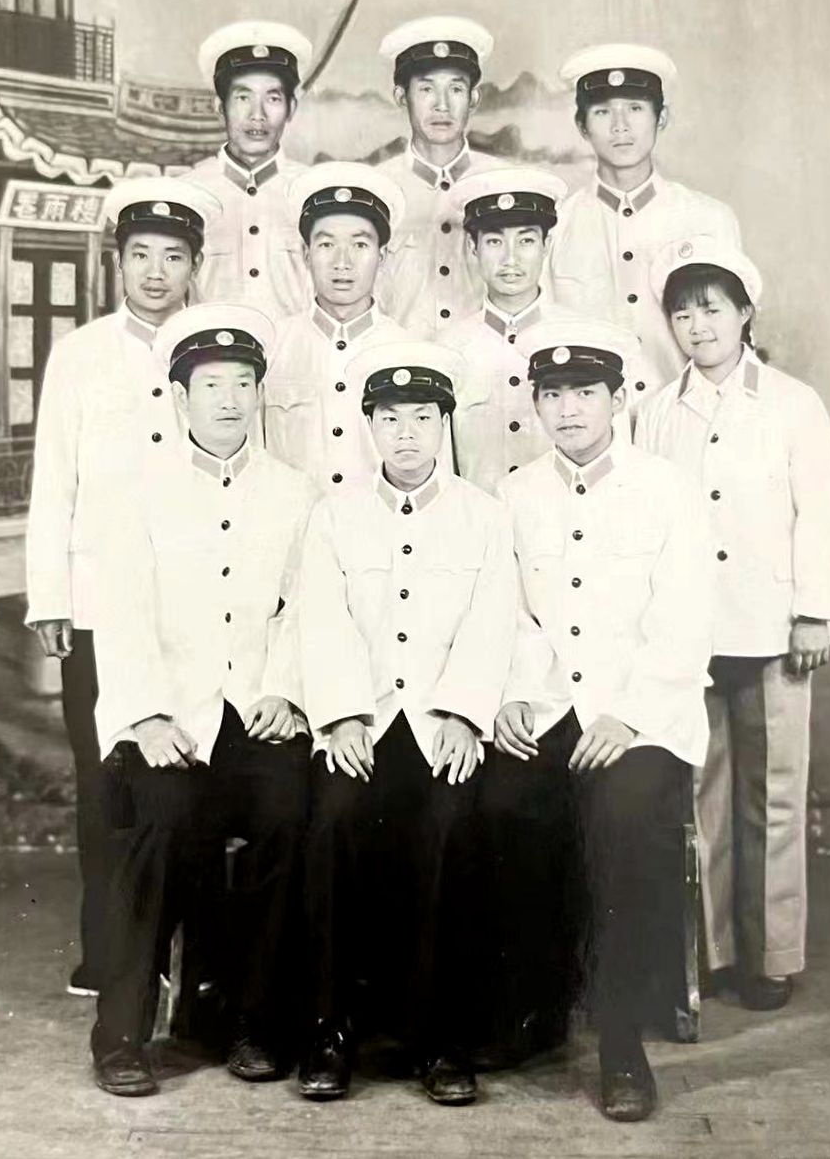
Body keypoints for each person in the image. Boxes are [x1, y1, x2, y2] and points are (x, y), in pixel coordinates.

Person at [483, 317, 712, 1122]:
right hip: (549, 706)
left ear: (618, 398)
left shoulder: (666, 490)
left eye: (584, 392)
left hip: (644, 714)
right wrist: (514, 695)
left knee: (621, 822)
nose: (568, 409)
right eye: (552, 395)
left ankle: (621, 1044)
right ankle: (533, 1009)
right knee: (498, 804)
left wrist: (627, 713)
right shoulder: (514, 494)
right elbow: (510, 615)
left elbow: (684, 620)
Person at [88, 304, 315, 1097]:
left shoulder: (294, 493)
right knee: (162, 822)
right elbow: (119, 614)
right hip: (168, 716)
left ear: (259, 394)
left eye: (242, 383)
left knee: (289, 815)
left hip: (255, 712)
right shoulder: (136, 491)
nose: (228, 399)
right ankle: (121, 1034)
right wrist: (147, 715)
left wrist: (286, 693)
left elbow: (304, 610)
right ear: (180, 397)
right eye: (211, 384)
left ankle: (255, 1021)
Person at [297, 341, 516, 1106]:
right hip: (362, 723)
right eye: (389, 419)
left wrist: (462, 713)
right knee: (331, 821)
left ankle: (440, 1037)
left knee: (449, 828)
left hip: (439, 723)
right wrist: (340, 717)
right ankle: (329, 1028)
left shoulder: (483, 517)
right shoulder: (334, 515)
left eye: (422, 417)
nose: (406, 434)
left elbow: (492, 622)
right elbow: (320, 621)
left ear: (444, 423)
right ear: (368, 427)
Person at [636, 237, 830, 1011]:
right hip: (690, 633)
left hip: (771, 627)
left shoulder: (792, 404)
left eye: (712, 309)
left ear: (744, 313)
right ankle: (715, 950)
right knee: (700, 792)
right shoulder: (655, 412)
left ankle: (771, 955)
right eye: (681, 314)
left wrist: (814, 612)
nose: (697, 327)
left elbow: (817, 513)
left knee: (775, 793)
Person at [24, 177, 220, 998]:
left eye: (173, 257)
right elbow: (53, 480)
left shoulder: (214, 352)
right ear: (117, 262)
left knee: (181, 775)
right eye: (140, 255)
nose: (155, 272)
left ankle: (174, 952)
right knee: (104, 776)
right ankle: (108, 952)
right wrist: (50, 596)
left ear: (194, 266)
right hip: (98, 599)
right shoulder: (80, 355)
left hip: (188, 604)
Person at [549, 44, 741, 399]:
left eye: (635, 109)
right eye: (603, 112)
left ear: (661, 118)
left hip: (687, 419)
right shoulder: (555, 227)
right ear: (582, 125)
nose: (620, 126)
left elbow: (734, 348)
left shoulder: (709, 220)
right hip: (592, 425)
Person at [263, 162, 411, 490]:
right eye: (326, 245)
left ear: (382, 255)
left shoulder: (407, 351)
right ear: (305, 254)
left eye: (360, 245)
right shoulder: (273, 348)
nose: (342, 262)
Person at [375, 16, 509, 334]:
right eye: (426, 89)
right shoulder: (378, 189)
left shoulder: (504, 183)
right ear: (401, 97)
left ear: (473, 99)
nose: (442, 105)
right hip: (401, 362)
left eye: (456, 89)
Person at [439, 168, 567, 493]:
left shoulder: (579, 339)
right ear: (473, 247)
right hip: (476, 521)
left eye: (526, 240)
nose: (511, 258)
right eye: (495, 241)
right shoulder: (448, 350)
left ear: (547, 244)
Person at [185, 21, 314, 321]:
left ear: (291, 108)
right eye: (243, 98)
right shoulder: (188, 193)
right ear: (220, 106)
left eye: (273, 98)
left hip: (295, 351)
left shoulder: (313, 192)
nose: (258, 115)